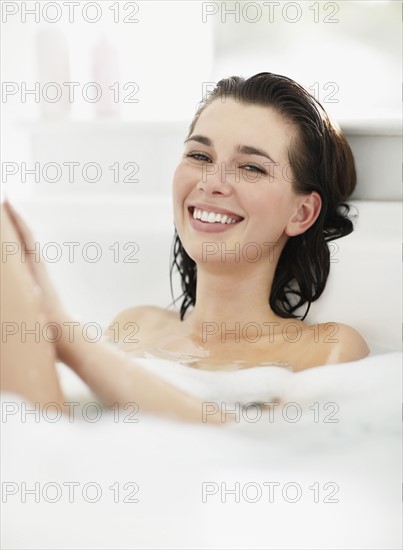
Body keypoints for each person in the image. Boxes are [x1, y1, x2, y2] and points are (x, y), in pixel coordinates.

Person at [1, 72, 369, 423]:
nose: (212, 183)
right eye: (200, 156)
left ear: (302, 213)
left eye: (251, 168)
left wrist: (69, 338)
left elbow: (261, 448)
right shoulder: (137, 326)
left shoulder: (322, 348)